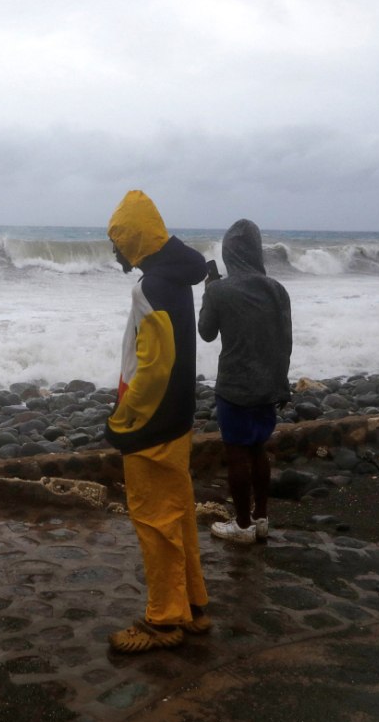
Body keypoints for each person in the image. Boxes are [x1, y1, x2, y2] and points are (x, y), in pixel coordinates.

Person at [103, 190, 211, 653]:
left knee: (153, 519)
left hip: (152, 423)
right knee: (179, 513)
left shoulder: (151, 287)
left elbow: (154, 366)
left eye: (117, 240)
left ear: (134, 239)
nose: (114, 250)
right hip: (178, 416)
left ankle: (163, 620)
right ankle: (192, 607)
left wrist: (125, 421)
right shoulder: (178, 280)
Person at [198, 219, 293, 545]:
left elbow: (206, 333)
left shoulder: (221, 291)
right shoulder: (277, 289)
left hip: (235, 386)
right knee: (258, 450)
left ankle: (241, 525)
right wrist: (282, 382)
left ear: (228, 253)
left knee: (237, 453)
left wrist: (209, 292)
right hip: (269, 383)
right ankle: (262, 518)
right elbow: (285, 340)